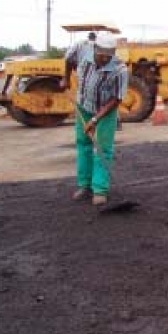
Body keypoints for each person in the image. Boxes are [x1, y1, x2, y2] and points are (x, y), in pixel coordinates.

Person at [71, 33, 129, 206]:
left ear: (113, 53)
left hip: (105, 110)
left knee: (103, 148)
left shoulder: (120, 69)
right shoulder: (83, 52)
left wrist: (95, 119)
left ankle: (100, 189)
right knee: (83, 144)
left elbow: (117, 98)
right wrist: (65, 79)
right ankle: (85, 186)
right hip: (84, 105)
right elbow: (68, 60)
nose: (104, 59)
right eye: (101, 55)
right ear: (94, 49)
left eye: (108, 56)